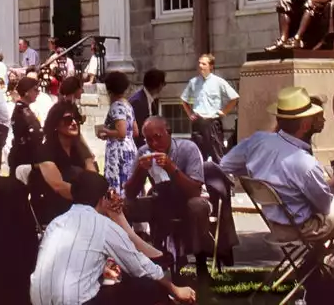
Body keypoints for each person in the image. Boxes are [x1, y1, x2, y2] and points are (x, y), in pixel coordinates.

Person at [220, 87, 334, 251]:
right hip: (302, 228)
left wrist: (257, 176)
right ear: (306, 124)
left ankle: (322, 264)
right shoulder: (305, 163)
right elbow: (324, 207)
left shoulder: (257, 141)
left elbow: (226, 165)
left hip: (275, 224)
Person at [30, 170, 197, 305]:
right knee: (150, 287)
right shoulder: (102, 224)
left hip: (39, 300)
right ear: (103, 199)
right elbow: (139, 265)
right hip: (76, 302)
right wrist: (174, 289)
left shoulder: (55, 223)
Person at [123, 117, 211, 277]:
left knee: (197, 206)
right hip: (160, 199)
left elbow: (194, 191)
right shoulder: (144, 152)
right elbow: (130, 193)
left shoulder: (188, 149)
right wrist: (141, 171)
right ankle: (133, 259)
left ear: (168, 133)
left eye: (158, 137)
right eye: (149, 140)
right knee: (123, 206)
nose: (154, 144)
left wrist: (171, 167)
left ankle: (201, 261)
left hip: (187, 199)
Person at [31, 101, 99, 226]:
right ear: (56, 124)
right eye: (68, 120)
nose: (74, 123)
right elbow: (58, 186)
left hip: (81, 207)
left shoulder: (80, 148)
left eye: (76, 119)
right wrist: (88, 200)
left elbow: (93, 179)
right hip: (53, 207)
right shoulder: (45, 150)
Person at [180, 54, 239, 163]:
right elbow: (184, 100)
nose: (200, 66)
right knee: (197, 156)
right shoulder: (193, 82)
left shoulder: (218, 82)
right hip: (198, 123)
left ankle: (221, 177)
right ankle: (199, 178)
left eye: (204, 63)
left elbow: (234, 97)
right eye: (199, 63)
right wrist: (189, 114)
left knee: (217, 155)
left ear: (211, 66)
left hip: (212, 124)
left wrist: (224, 112)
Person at [98, 71, 138, 195]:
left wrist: (104, 131)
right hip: (130, 148)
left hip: (118, 152)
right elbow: (135, 131)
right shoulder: (128, 105)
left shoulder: (117, 106)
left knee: (117, 188)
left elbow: (121, 132)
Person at [9, 76, 45, 172]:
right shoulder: (21, 111)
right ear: (26, 92)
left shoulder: (26, 109)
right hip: (23, 158)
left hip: (30, 155)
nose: (38, 93)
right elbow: (32, 134)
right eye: (35, 90)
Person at [128, 69, 165, 149]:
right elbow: (138, 131)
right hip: (139, 148)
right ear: (159, 85)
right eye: (163, 84)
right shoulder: (137, 102)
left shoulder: (150, 100)